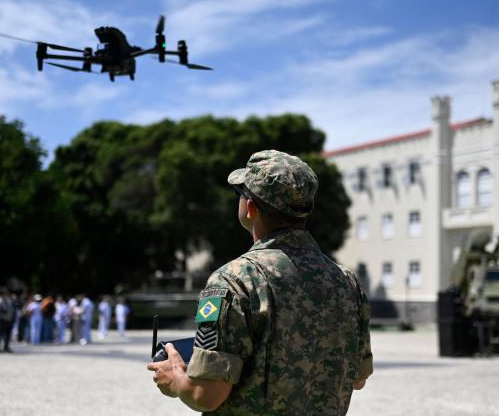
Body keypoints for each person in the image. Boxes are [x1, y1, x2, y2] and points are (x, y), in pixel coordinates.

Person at [148, 150, 373, 414]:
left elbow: (205, 395)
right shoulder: (346, 281)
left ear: (251, 207)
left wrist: (174, 378)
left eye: (240, 194)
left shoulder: (235, 279)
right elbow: (357, 379)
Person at [0, 288, 15, 353]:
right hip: (1, 320)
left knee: (8, 334)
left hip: (8, 320)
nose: (7, 293)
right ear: (3, 293)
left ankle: (6, 347)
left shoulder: (7, 300)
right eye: (6, 292)